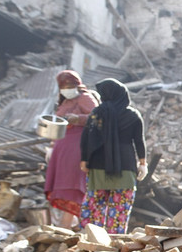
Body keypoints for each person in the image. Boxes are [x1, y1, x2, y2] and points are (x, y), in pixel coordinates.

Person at [79, 79, 146, 234]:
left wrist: (84, 159)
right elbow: (139, 141)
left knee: (95, 205)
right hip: (125, 166)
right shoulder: (133, 115)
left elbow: (87, 137)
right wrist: (143, 163)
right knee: (120, 209)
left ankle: (91, 238)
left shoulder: (97, 114)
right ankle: (115, 242)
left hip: (98, 166)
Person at [44, 70, 100, 229]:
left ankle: (66, 225)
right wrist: (52, 145)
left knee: (73, 184)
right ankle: (69, 223)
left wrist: (79, 119)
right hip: (62, 147)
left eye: (69, 86)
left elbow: (99, 117)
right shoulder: (65, 101)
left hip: (77, 147)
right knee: (62, 184)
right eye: (63, 86)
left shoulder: (85, 98)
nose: (66, 89)